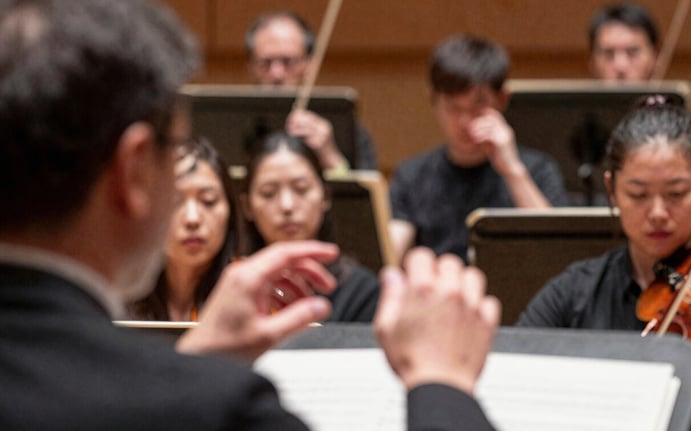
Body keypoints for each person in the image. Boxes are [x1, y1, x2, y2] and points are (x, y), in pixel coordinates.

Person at [0, 0, 501, 429]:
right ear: (132, 171)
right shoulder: (225, 411)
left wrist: (195, 365)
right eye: (173, 150)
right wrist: (443, 384)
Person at [517, 98, 691, 430]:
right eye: (638, 194)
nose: (658, 212)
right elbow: (514, 382)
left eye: (677, 193)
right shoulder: (575, 294)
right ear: (611, 190)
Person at [389, 33, 569, 263]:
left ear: (502, 99)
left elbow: (557, 252)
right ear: (433, 100)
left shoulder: (538, 170)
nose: (464, 122)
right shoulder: (410, 176)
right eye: (453, 108)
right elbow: (389, 256)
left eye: (478, 105)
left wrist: (512, 171)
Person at [242, 131, 379, 322]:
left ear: (325, 197)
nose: (287, 205)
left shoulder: (361, 290)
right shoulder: (234, 286)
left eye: (301, 189)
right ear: (247, 206)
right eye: (268, 193)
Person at [588, 2, 691, 170]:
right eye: (609, 54)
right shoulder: (578, 129)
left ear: (656, 58)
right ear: (592, 62)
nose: (620, 66)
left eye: (632, 52)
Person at [245, 11, 378, 171]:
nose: (277, 74)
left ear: (310, 65)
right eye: (265, 63)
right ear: (250, 67)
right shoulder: (228, 123)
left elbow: (367, 192)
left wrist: (330, 157)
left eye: (288, 62)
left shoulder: (348, 131)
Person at [129, 137, 242, 321]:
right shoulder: (118, 295)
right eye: (174, 202)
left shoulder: (253, 292)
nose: (192, 219)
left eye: (208, 201)